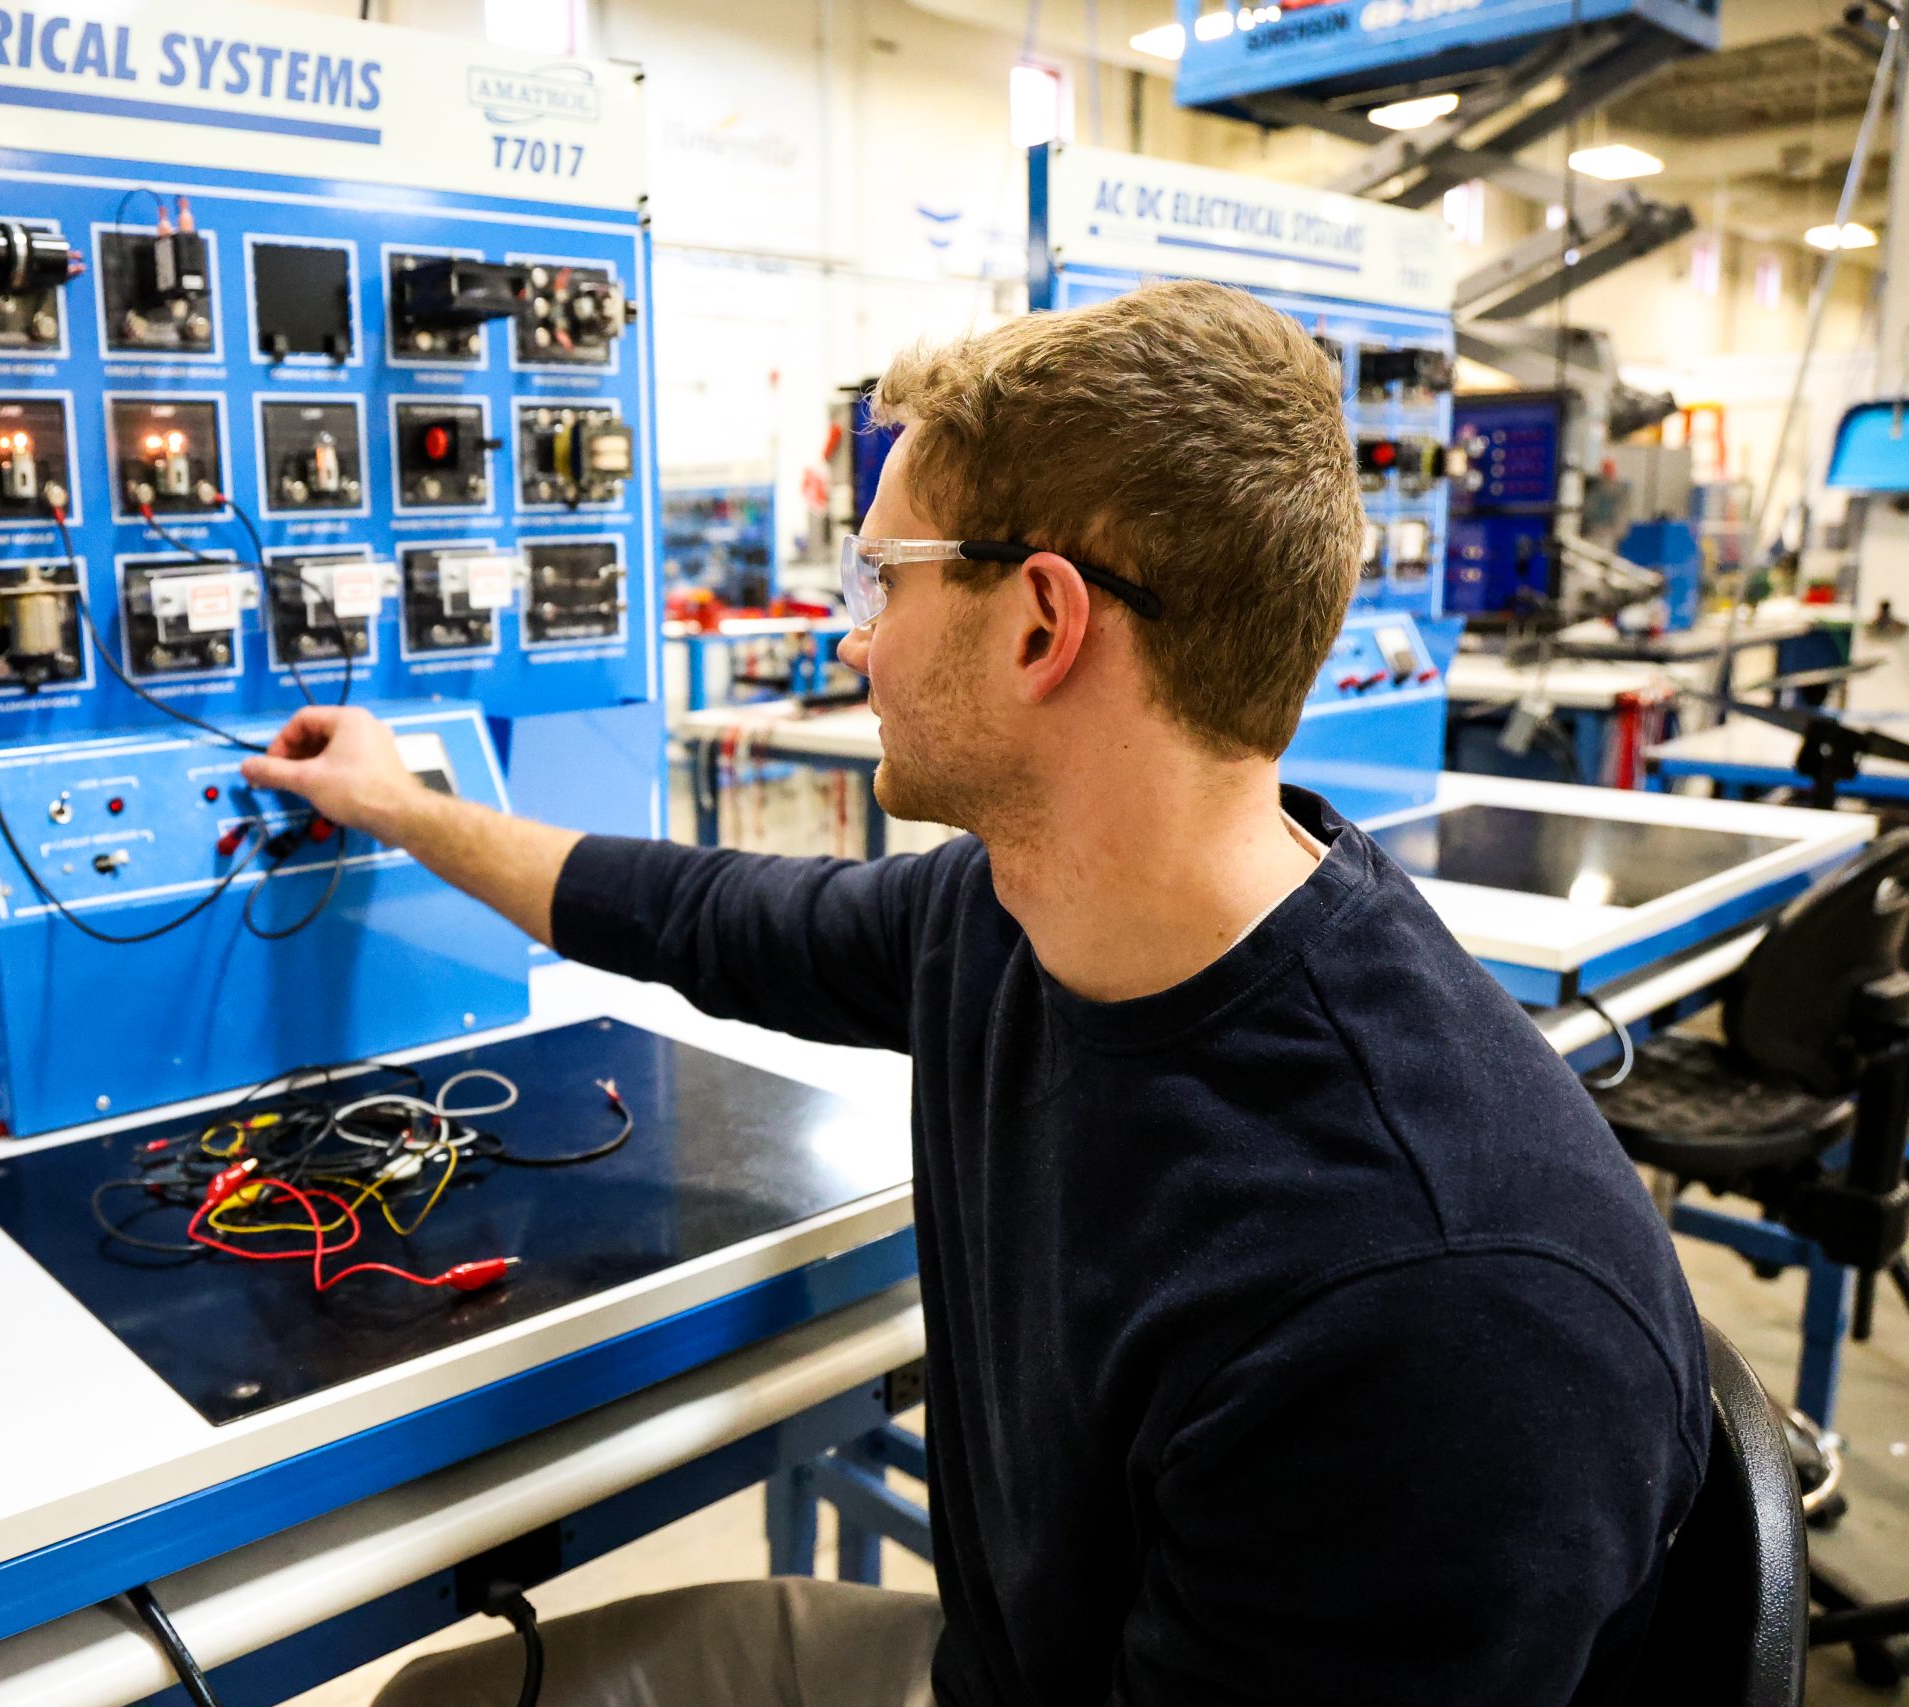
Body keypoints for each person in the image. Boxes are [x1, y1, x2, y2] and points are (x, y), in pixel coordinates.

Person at [239, 280, 1708, 1707]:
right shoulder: (1015, 916)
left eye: (884, 580)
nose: (850, 638)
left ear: (1040, 625)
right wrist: (401, 805)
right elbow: (702, 914)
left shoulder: (1431, 1302)